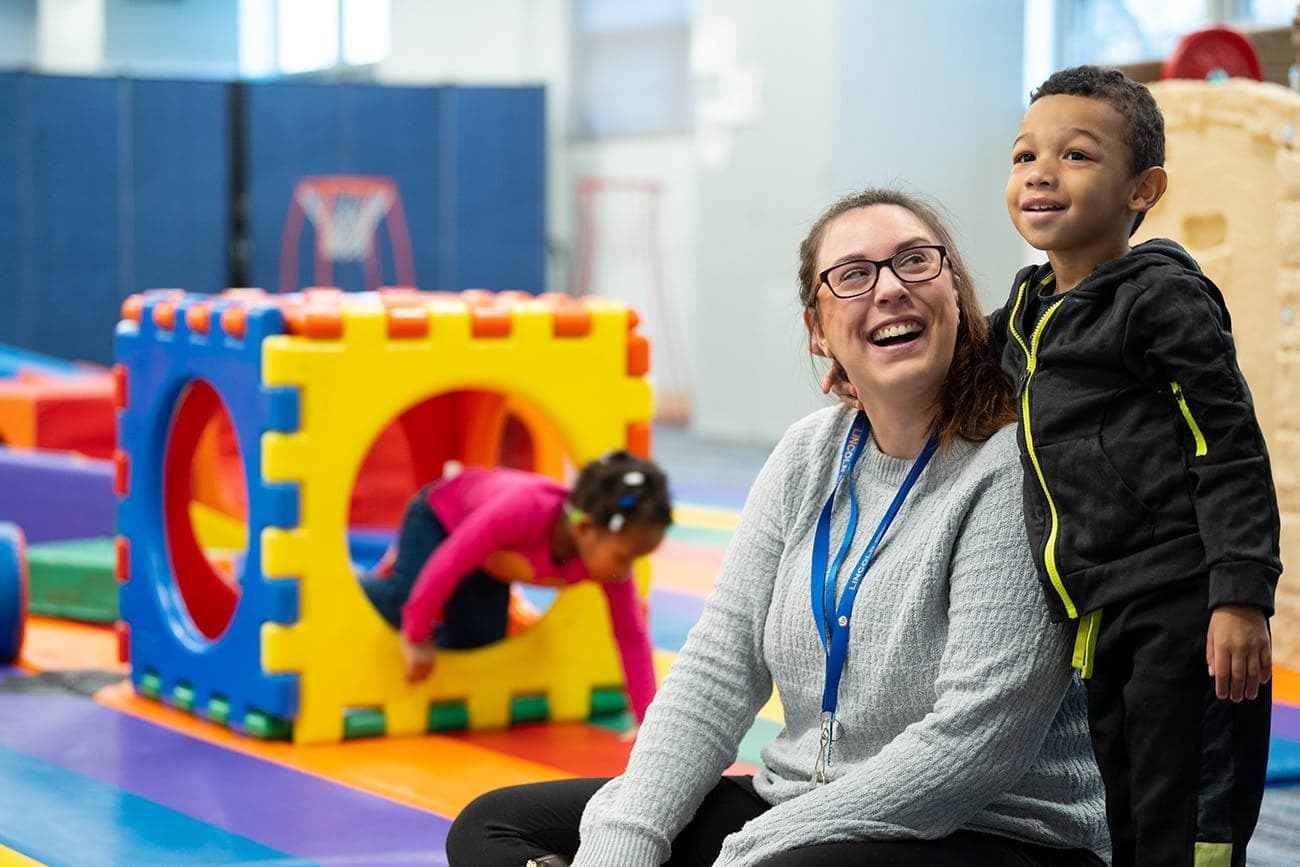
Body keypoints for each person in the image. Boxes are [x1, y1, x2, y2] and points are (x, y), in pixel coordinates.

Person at [444, 188, 1109, 867]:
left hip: (996, 828)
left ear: (956, 294)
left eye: (915, 261)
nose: (889, 288)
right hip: (798, 805)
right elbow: (716, 668)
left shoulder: (1015, 461)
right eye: (852, 275)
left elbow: (976, 741)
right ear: (818, 330)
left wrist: (752, 848)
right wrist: (623, 845)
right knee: (494, 827)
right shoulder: (808, 454)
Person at [992, 65, 1280, 866]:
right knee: (1125, 822)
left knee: (1186, 833)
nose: (1041, 172)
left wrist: (1239, 598)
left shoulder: (1160, 299)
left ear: (1141, 189)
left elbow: (1229, 446)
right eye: (1024, 157)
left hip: (1184, 611)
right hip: (1101, 616)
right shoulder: (1025, 311)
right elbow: (957, 369)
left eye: (1076, 156)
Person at [359, 451, 672, 725]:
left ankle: (437, 613)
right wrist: (417, 635)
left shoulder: (608, 557)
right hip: (440, 518)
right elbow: (451, 560)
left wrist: (647, 721)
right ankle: (359, 583)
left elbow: (631, 635)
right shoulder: (524, 511)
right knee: (402, 601)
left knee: (480, 639)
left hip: (492, 564)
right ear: (584, 528)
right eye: (624, 557)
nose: (627, 569)